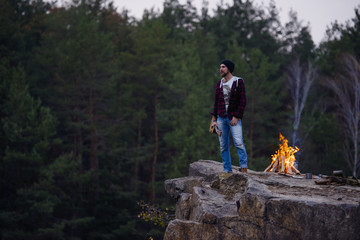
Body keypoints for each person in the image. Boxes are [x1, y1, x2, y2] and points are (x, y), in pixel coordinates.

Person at [211, 60, 248, 173]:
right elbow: (216, 102)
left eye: (223, 67)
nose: (221, 69)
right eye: (220, 67)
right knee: (223, 146)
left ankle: (244, 168)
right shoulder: (219, 84)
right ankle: (227, 170)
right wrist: (214, 119)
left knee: (238, 142)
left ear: (229, 69)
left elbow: (243, 101)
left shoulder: (238, 82)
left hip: (233, 118)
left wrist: (237, 116)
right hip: (221, 118)